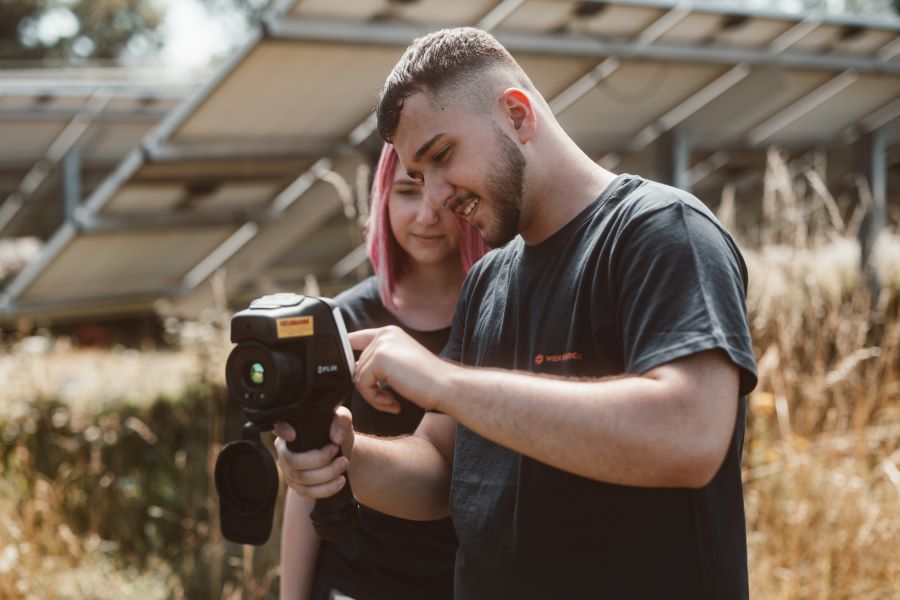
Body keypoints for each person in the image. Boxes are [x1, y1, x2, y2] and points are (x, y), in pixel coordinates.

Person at [276, 27, 758, 599]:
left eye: (442, 156)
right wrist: (341, 452)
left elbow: (690, 436)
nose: (434, 199)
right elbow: (436, 473)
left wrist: (444, 382)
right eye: (417, 176)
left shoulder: (660, 230)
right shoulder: (487, 281)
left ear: (517, 114)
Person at [279, 143, 489, 600]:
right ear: (382, 200)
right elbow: (310, 480)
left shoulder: (498, 315)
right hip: (357, 583)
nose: (427, 215)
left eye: (442, 194)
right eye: (407, 192)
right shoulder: (338, 321)